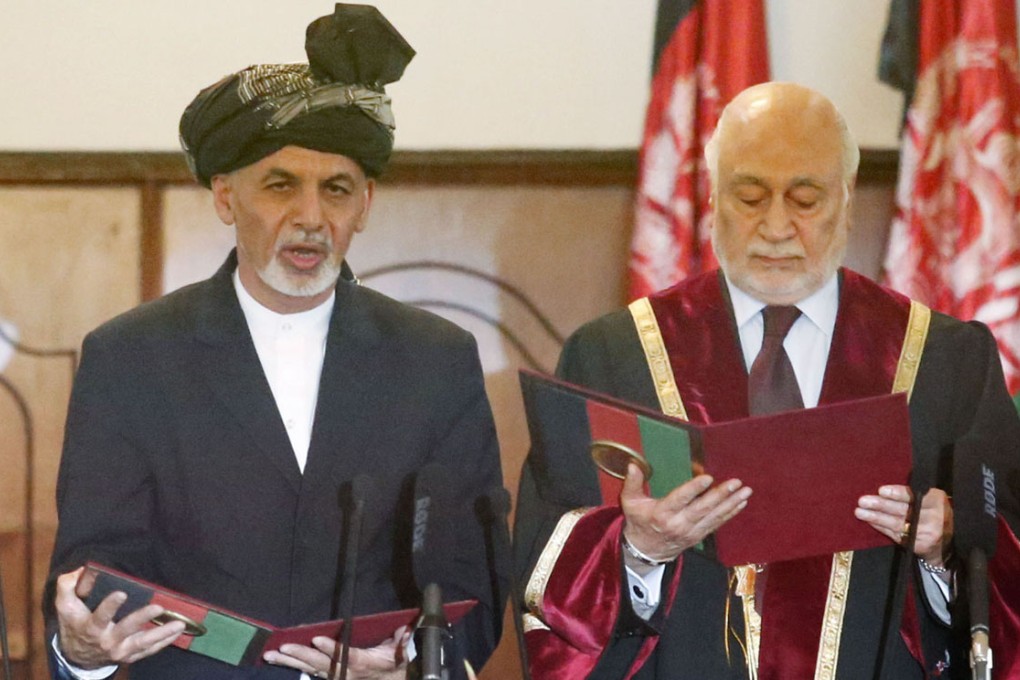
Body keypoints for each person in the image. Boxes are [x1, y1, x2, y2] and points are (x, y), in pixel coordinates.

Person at [45, 5, 505, 679]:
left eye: (337, 189)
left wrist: (409, 669)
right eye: (281, 185)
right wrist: (82, 653)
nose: (310, 218)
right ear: (227, 197)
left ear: (365, 205)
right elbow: (90, 580)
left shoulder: (436, 361)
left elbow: (474, 588)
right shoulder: (130, 359)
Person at [514, 82, 1020, 678]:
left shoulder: (945, 363)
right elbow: (543, 583)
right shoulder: (613, 359)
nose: (776, 227)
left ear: (847, 198)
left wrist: (947, 548)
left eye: (804, 200)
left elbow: (1008, 579)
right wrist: (638, 551)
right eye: (750, 197)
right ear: (713, 196)